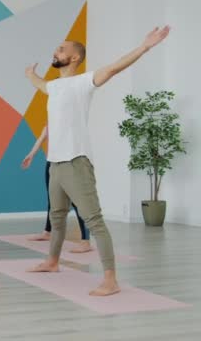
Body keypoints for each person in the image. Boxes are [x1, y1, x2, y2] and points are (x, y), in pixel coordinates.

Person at [24, 26, 170, 296]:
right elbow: (40, 84)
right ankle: (53, 262)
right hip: (55, 162)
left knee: (93, 220)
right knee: (56, 217)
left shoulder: (83, 82)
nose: (56, 51)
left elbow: (114, 68)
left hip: (76, 161)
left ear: (75, 58)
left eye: (62, 49)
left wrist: (145, 46)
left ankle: (110, 279)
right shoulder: (54, 86)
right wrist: (30, 74)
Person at [22, 125, 92, 253]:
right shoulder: (51, 121)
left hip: (67, 163)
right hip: (51, 163)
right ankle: (47, 232)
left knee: (76, 201)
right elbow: (42, 138)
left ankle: (86, 241)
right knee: (52, 199)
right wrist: (31, 155)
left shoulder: (70, 122)